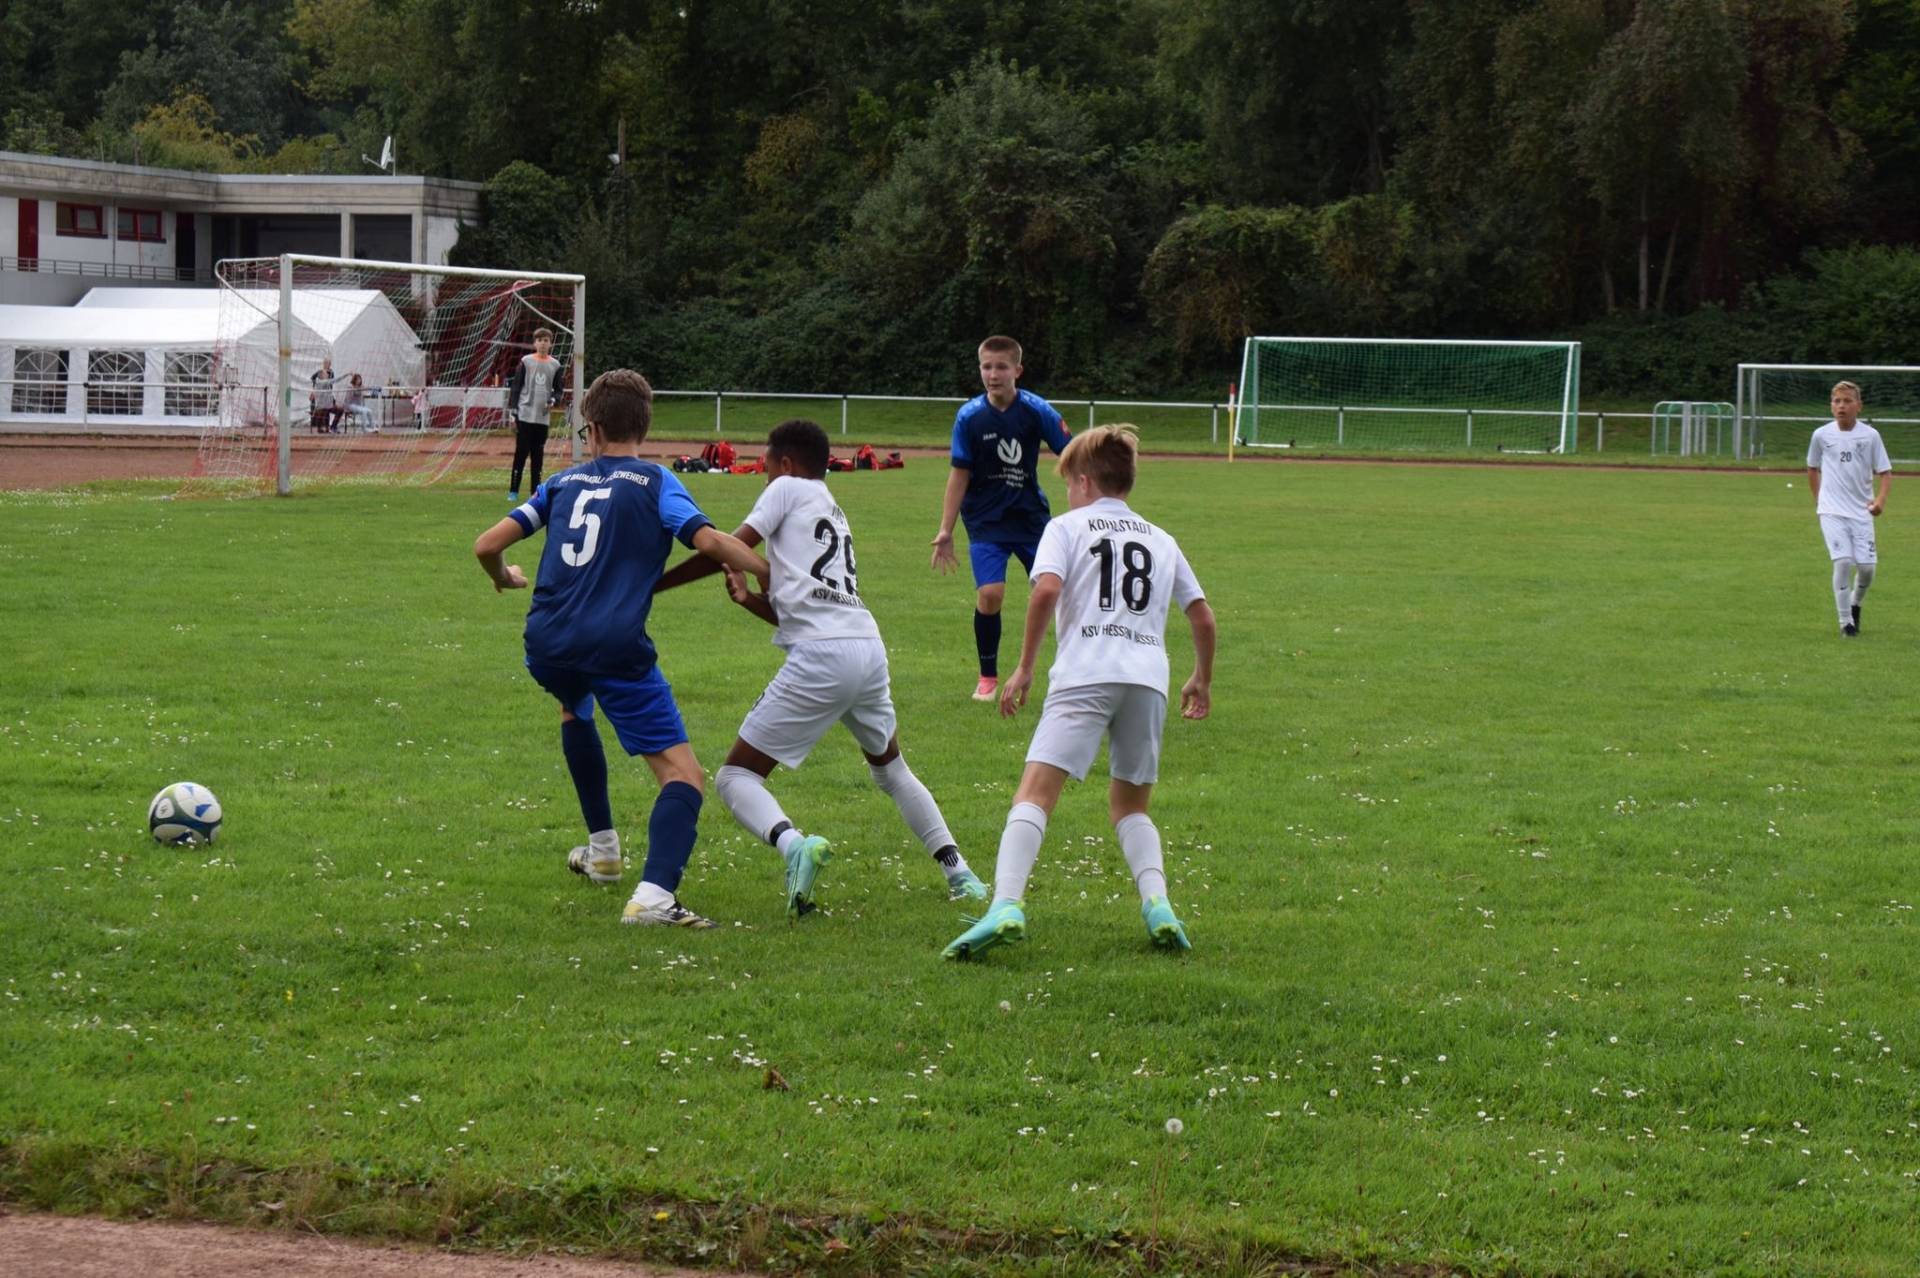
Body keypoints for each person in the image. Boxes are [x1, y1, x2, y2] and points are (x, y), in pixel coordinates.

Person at [656, 418, 988, 917]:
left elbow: (722, 546)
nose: (764, 477)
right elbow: (805, 606)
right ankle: (960, 873)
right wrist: (749, 600)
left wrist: (652, 587)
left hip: (822, 656)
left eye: (766, 467)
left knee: (734, 777)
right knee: (892, 770)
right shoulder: (830, 507)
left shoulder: (787, 488)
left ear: (787, 464)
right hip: (866, 648)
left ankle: (795, 847)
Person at [474, 368, 769, 928]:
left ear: (593, 428)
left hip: (546, 642)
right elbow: (707, 541)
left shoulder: (560, 483)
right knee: (684, 775)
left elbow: (487, 545)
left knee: (573, 704)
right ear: (643, 427)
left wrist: (503, 577)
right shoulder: (656, 481)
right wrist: (768, 570)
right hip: (611, 646)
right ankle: (654, 898)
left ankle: (604, 851)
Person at [944, 425, 1216, 961]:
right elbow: (1202, 616)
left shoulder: (1066, 527)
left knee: (1035, 794)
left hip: (1085, 673)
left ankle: (1005, 904)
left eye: (1069, 482)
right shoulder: (1161, 539)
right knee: (1131, 807)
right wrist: (1201, 678)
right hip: (1147, 680)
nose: (1068, 492)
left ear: (1085, 482)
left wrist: (1024, 668)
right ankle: (1158, 904)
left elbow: (1046, 589)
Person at [931, 335, 1071, 703]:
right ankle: (987, 676)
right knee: (990, 594)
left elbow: (1073, 455)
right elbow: (959, 474)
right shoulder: (970, 417)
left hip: (1030, 519)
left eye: (1001, 367)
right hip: (985, 519)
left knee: (1056, 592)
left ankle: (1070, 672)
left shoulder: (1038, 410)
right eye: (986, 367)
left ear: (1017, 371)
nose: (993, 374)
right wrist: (946, 530)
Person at [1806, 380, 1892, 637]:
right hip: (1831, 511)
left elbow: (1885, 472)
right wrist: (1820, 500)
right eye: (1837, 401)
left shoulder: (1870, 436)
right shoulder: (1821, 435)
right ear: (1831, 406)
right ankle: (1846, 623)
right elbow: (1812, 467)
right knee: (1843, 562)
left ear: (1859, 406)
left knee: (1867, 569)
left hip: (1861, 511)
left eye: (1847, 401)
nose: (1841, 406)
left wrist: (1880, 501)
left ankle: (1856, 604)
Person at [506, 328, 564, 503]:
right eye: (539, 340)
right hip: (525, 414)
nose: (542, 343)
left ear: (550, 343)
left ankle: (535, 492)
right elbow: (516, 387)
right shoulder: (526, 361)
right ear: (534, 343)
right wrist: (513, 410)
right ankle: (513, 491)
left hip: (542, 417)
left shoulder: (555, 365)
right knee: (521, 453)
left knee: (537, 456)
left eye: (546, 340)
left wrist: (553, 400)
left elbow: (559, 391)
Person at [310, 357, 341, 433]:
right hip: (321, 396)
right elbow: (313, 378)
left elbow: (332, 381)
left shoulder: (331, 372)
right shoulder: (320, 372)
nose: (327, 364)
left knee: (333, 408)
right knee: (323, 408)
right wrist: (315, 387)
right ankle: (321, 427)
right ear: (323, 363)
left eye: (328, 363)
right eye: (326, 363)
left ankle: (330, 427)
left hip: (328, 395)